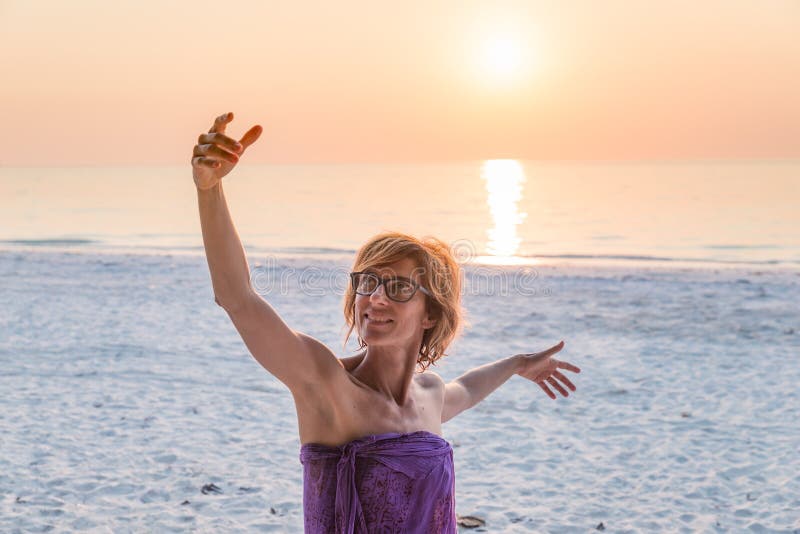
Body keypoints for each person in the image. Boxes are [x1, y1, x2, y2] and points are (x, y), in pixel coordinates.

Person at [191, 112, 581, 533]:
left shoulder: (429, 394)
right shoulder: (324, 382)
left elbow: (466, 389)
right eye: (368, 283)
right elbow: (237, 297)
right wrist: (209, 191)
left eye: (397, 288)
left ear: (430, 313)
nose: (375, 298)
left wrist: (518, 363)